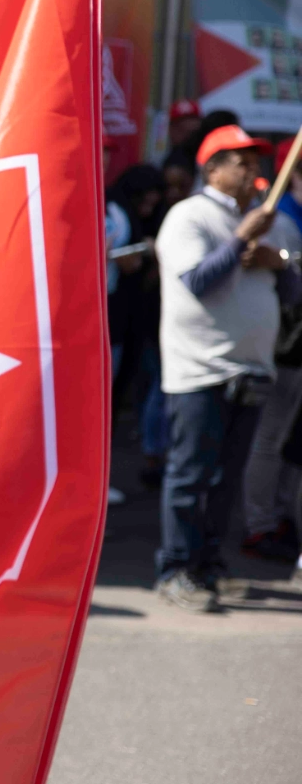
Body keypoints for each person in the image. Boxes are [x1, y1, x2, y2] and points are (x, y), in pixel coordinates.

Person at [153, 125, 300, 611]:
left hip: (251, 366)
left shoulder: (269, 221)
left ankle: (208, 567)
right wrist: (240, 240)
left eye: (254, 161)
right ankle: (176, 568)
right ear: (211, 168)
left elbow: (292, 290)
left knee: (225, 479)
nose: (250, 169)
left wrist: (277, 261)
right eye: (239, 160)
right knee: (191, 475)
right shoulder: (189, 216)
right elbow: (197, 280)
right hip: (201, 368)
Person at [243, 152, 302, 563]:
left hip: (292, 347)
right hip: (285, 348)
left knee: (286, 441)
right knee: (269, 439)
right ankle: (260, 523)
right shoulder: (277, 218)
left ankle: (277, 514)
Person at [107, 164, 170, 488]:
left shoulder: (139, 217)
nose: (148, 208)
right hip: (113, 319)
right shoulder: (113, 210)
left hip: (134, 319)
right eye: (143, 202)